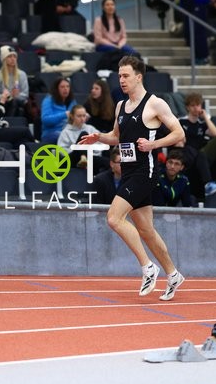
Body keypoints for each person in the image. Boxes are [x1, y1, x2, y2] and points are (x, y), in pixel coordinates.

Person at [79, 56, 186, 301]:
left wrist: (153, 144)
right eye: (119, 76)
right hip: (127, 171)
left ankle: (148, 267)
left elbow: (178, 132)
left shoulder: (155, 104)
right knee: (147, 231)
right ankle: (173, 274)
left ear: (139, 77)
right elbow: (117, 137)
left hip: (145, 172)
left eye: (126, 75)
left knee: (114, 218)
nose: (122, 80)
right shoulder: (120, 106)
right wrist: (99, 137)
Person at [57, 104, 102, 169]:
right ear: (72, 116)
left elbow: (100, 145)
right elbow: (61, 150)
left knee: (108, 162)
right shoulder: (66, 132)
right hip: (72, 158)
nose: (82, 118)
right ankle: (82, 156)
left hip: (90, 157)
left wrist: (89, 153)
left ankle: (84, 158)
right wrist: (78, 152)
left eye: (84, 116)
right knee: (84, 134)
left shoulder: (91, 129)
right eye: (79, 116)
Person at [0, 45, 28, 116]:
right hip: (3, 102)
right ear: (4, 59)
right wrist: (7, 96)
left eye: (14, 56)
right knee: (11, 102)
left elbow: (25, 94)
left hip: (18, 102)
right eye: (9, 57)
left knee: (14, 102)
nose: (13, 59)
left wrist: (16, 95)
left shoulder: (22, 74)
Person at [40, 77, 75, 144]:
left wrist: (82, 117)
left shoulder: (72, 101)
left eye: (67, 86)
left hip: (69, 132)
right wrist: (64, 115)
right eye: (62, 87)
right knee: (63, 136)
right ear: (56, 89)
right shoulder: (48, 100)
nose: (65, 89)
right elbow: (45, 120)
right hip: (51, 134)